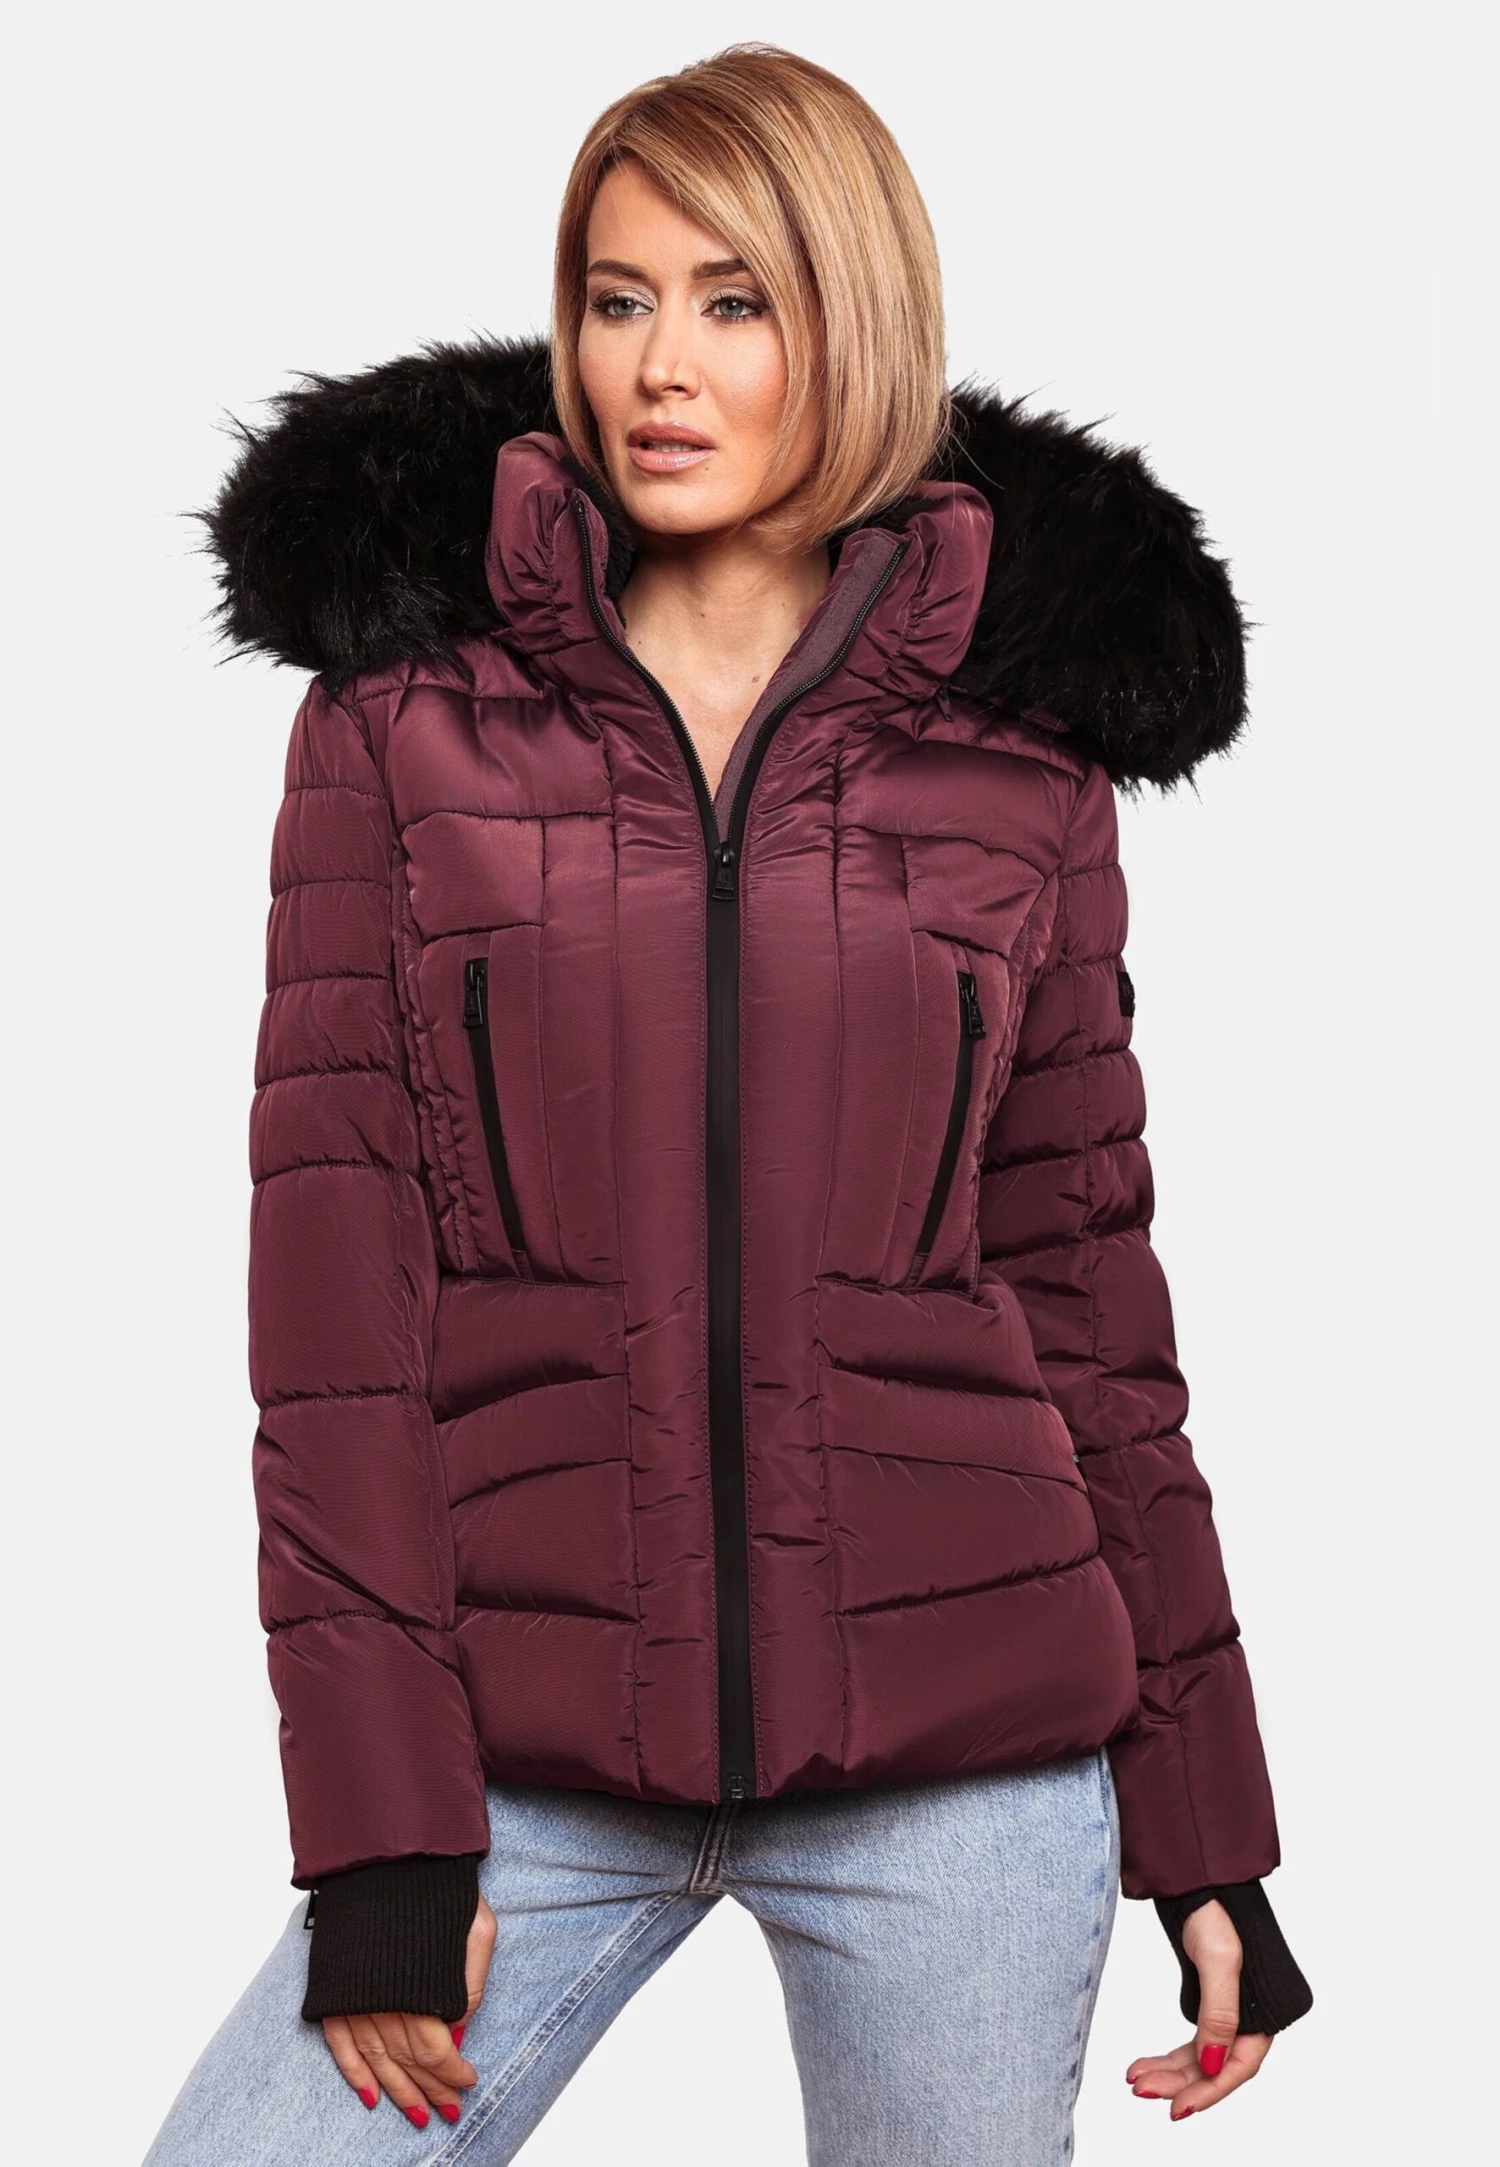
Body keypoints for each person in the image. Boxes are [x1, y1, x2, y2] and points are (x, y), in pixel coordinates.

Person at [145, 41, 1310, 2167]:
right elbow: (331, 1329)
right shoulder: (403, 728)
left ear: (853, 325)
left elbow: (1090, 1314)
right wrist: (382, 1829)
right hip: (519, 1759)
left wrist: (1206, 1826)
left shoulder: (1021, 766)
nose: (658, 367)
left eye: (734, 300)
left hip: (967, 1770)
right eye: (618, 298)